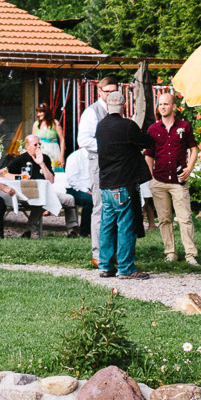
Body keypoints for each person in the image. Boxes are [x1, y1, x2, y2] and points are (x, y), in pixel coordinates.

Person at [93, 88, 154, 280]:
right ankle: (126, 268)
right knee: (125, 226)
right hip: (123, 184)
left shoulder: (101, 126)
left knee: (107, 226)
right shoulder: (128, 126)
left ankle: (105, 265)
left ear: (108, 105)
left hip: (105, 184)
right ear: (124, 106)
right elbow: (146, 141)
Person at [143, 89, 199, 266]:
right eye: (160, 104)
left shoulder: (184, 126)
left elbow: (194, 148)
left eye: (166, 104)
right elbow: (149, 154)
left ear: (174, 106)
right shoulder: (153, 129)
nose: (162, 107)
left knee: (185, 218)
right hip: (159, 180)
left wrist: (189, 168)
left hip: (179, 180)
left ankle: (191, 255)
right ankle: (170, 252)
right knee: (165, 219)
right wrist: (150, 175)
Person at [76, 83, 115, 266]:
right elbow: (83, 140)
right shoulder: (91, 112)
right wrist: (109, 146)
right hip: (98, 162)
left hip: (116, 163)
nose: (109, 94)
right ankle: (98, 254)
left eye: (113, 91)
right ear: (100, 92)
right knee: (99, 206)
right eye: (106, 91)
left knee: (115, 206)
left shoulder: (118, 110)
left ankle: (113, 251)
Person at [62, 143, 94, 237]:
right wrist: (87, 190)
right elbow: (72, 180)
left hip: (92, 187)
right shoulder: (75, 157)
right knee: (90, 199)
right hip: (74, 188)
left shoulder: (97, 156)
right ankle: (85, 231)